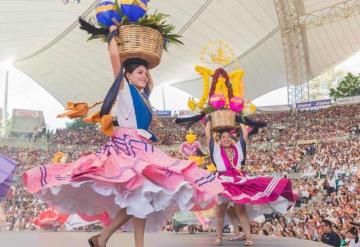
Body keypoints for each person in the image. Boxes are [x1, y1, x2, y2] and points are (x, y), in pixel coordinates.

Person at [23, 24, 222, 247]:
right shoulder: (125, 90)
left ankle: (106, 239)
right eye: (140, 73)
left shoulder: (144, 96)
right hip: (129, 148)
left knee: (142, 198)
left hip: (142, 148)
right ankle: (107, 238)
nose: (145, 77)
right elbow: (116, 63)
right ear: (127, 75)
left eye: (146, 74)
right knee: (141, 197)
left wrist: (151, 55)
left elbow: (148, 76)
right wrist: (112, 36)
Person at [206, 122, 297, 246]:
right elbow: (208, 136)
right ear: (220, 140)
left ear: (232, 138)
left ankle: (249, 238)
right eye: (223, 137)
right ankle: (218, 238)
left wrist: (240, 118)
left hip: (238, 182)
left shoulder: (238, 149)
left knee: (241, 211)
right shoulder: (216, 150)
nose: (226, 139)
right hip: (222, 182)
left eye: (228, 137)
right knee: (220, 212)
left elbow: (244, 134)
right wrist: (208, 120)